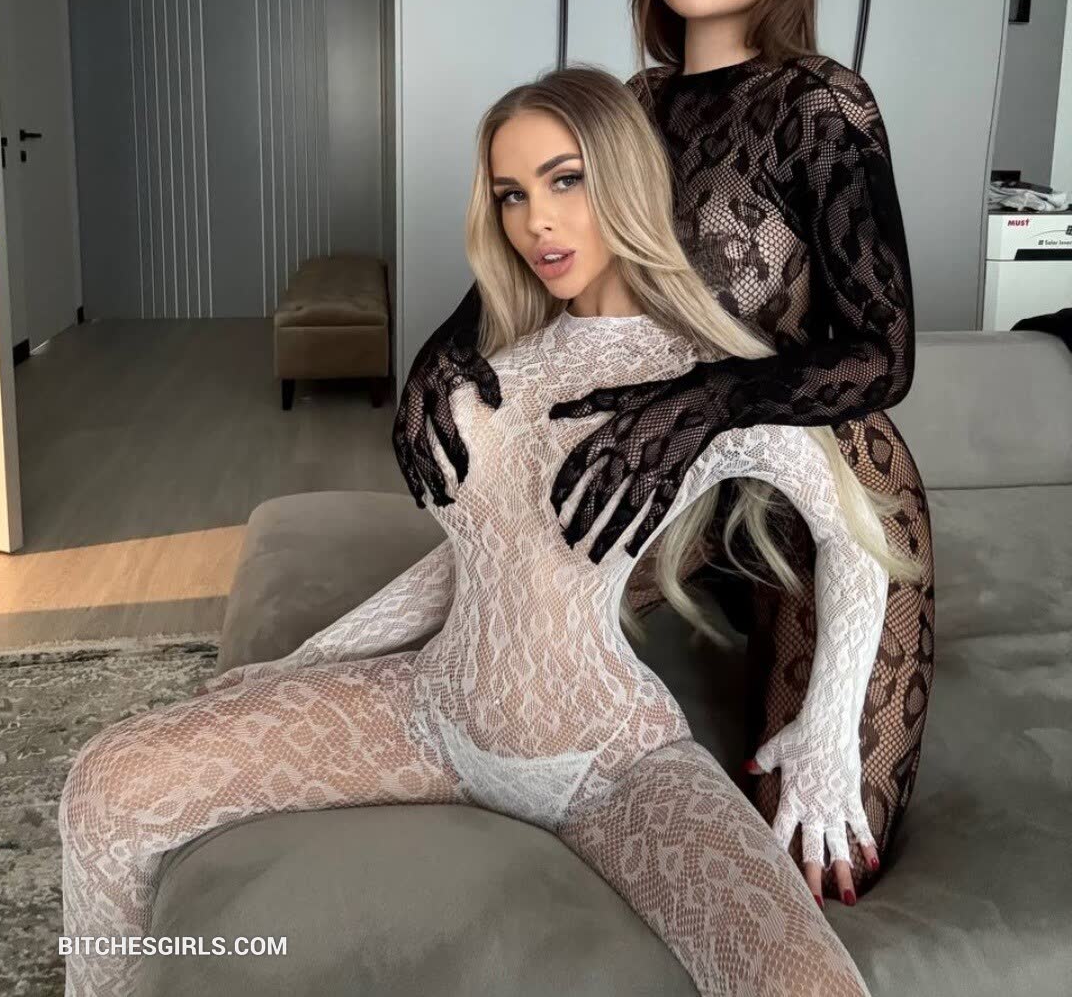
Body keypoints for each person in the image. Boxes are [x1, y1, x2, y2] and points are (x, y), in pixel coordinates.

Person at [55, 63, 925, 997]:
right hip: (430, 714)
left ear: (628, 177)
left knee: (808, 985)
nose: (537, 222)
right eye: (513, 195)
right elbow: (476, 561)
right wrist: (308, 660)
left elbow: (851, 536)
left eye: (565, 181)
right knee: (106, 788)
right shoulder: (496, 360)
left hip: (610, 760)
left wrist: (829, 733)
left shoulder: (707, 380)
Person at [392, 0, 935, 905]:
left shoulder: (821, 104)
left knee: (805, 851)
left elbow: (884, 354)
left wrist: (706, 401)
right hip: (664, 482)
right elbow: (549, 253)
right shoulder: (629, 103)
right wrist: (443, 347)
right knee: (464, 666)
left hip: (816, 499)